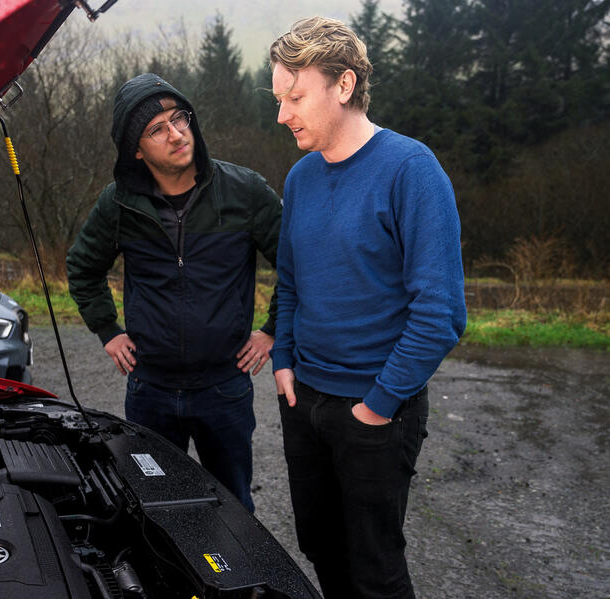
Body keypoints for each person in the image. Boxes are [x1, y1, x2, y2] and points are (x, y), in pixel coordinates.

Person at [268, 17, 466, 599]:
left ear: (345, 85)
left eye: (296, 97)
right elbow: (291, 283)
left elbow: (441, 313)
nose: (283, 115)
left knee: (375, 568)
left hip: (376, 410)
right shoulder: (301, 178)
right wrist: (283, 360)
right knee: (321, 547)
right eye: (280, 99)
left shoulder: (411, 169)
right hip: (304, 400)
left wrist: (378, 406)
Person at [66, 73, 282, 512]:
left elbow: (297, 267)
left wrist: (272, 329)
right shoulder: (119, 204)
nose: (176, 133)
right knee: (156, 506)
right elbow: (82, 267)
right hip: (151, 391)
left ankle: (241, 582)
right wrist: (108, 330)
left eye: (179, 118)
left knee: (234, 507)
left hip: (224, 389)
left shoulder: (244, 191)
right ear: (137, 149)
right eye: (157, 128)